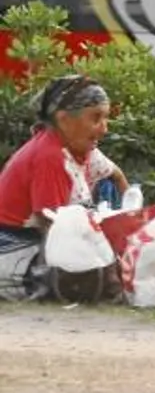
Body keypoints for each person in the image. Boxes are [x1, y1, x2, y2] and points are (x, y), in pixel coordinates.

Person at [0, 74, 127, 302]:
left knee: (108, 189)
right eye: (96, 118)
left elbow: (116, 176)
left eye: (106, 118)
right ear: (64, 120)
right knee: (92, 276)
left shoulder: (83, 148)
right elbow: (55, 229)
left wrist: (130, 221)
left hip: (41, 238)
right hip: (15, 246)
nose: (104, 128)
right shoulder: (50, 156)